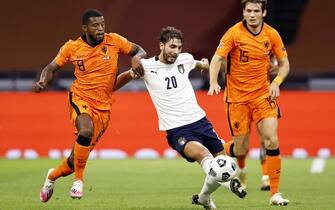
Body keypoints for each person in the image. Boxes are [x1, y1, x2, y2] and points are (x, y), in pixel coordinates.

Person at [116, 26, 247, 210]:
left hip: (201, 122)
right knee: (205, 156)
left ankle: (204, 198)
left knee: (222, 163)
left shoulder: (185, 59)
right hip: (178, 130)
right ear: (161, 45)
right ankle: (227, 185)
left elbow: (202, 64)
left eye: (178, 47)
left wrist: (206, 65)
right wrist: (112, 85)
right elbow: (122, 79)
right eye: (171, 46)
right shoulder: (145, 66)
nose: (175, 51)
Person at [35, 9, 146, 202]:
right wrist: (43, 81)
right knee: (85, 131)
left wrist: (136, 58)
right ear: (85, 28)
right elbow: (51, 67)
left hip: (104, 106)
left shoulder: (114, 41)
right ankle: (79, 181)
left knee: (73, 160)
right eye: (95, 25)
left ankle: (51, 176)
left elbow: (139, 50)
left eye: (102, 24)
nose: (100, 28)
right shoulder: (72, 47)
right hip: (80, 98)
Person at [208, 0, 290, 206]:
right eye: (248, 11)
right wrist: (213, 81)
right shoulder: (233, 33)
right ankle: (216, 150)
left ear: (263, 13)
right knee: (241, 149)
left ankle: (275, 193)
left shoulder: (272, 34)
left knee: (271, 140)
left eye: (256, 11)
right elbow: (217, 58)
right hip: (237, 99)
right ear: (243, 12)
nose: (252, 15)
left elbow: (284, 64)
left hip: (263, 96)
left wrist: (277, 82)